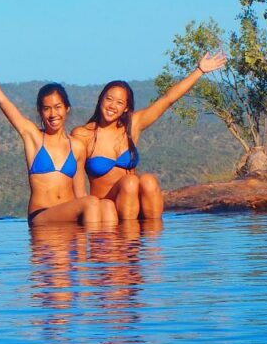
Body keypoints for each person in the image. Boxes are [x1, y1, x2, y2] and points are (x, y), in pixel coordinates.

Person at [0, 51, 118, 226]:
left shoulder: (77, 147)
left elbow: (81, 193)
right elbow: (2, 101)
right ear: (40, 112)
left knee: (106, 205)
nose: (53, 114)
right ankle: (86, 254)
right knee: (91, 203)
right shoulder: (34, 137)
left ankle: (107, 253)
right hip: (41, 215)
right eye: (47, 109)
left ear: (67, 109)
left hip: (68, 215)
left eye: (58, 107)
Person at [72, 51, 227, 221]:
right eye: (109, 99)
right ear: (100, 100)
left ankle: (153, 243)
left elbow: (168, 99)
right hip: (105, 209)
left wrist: (200, 71)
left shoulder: (132, 125)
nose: (112, 106)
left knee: (148, 180)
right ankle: (129, 236)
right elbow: (71, 176)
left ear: (126, 108)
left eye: (119, 103)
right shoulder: (83, 134)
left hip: (133, 205)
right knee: (130, 182)